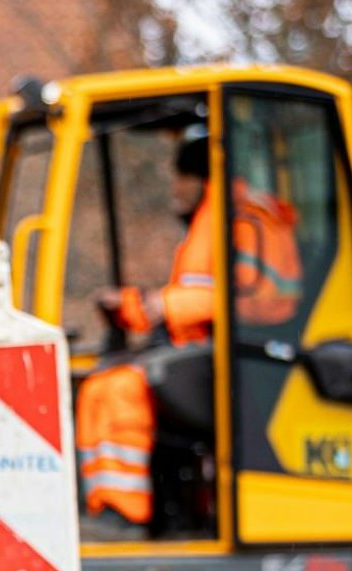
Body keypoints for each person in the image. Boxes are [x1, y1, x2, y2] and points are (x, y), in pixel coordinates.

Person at [76, 125, 302, 537]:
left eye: (180, 178)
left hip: (245, 359)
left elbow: (256, 300)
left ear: (202, 177)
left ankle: (123, 514)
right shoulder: (211, 221)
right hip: (202, 350)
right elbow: (189, 298)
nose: (174, 188)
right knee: (97, 385)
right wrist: (131, 307)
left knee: (122, 389)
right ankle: (108, 508)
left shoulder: (248, 220)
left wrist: (164, 305)